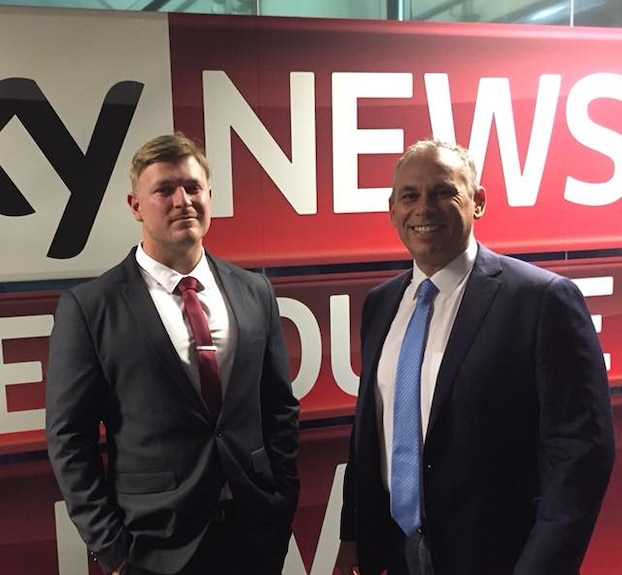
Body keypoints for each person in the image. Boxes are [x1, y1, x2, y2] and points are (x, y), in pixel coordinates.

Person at [336, 138, 615, 575]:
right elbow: (370, 433)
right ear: (392, 209)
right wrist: (352, 536)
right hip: (397, 553)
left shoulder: (541, 300)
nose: (423, 208)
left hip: (502, 558)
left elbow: (581, 455)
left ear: (478, 202)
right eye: (409, 195)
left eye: (443, 192)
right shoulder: (380, 304)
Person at [46, 133, 300, 575]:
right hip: (153, 547)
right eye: (164, 189)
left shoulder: (254, 290)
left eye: (193, 188)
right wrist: (115, 551)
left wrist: (281, 505)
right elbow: (70, 440)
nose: (182, 200)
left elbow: (278, 406)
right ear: (135, 205)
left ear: (209, 197)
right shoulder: (91, 307)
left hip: (255, 534)